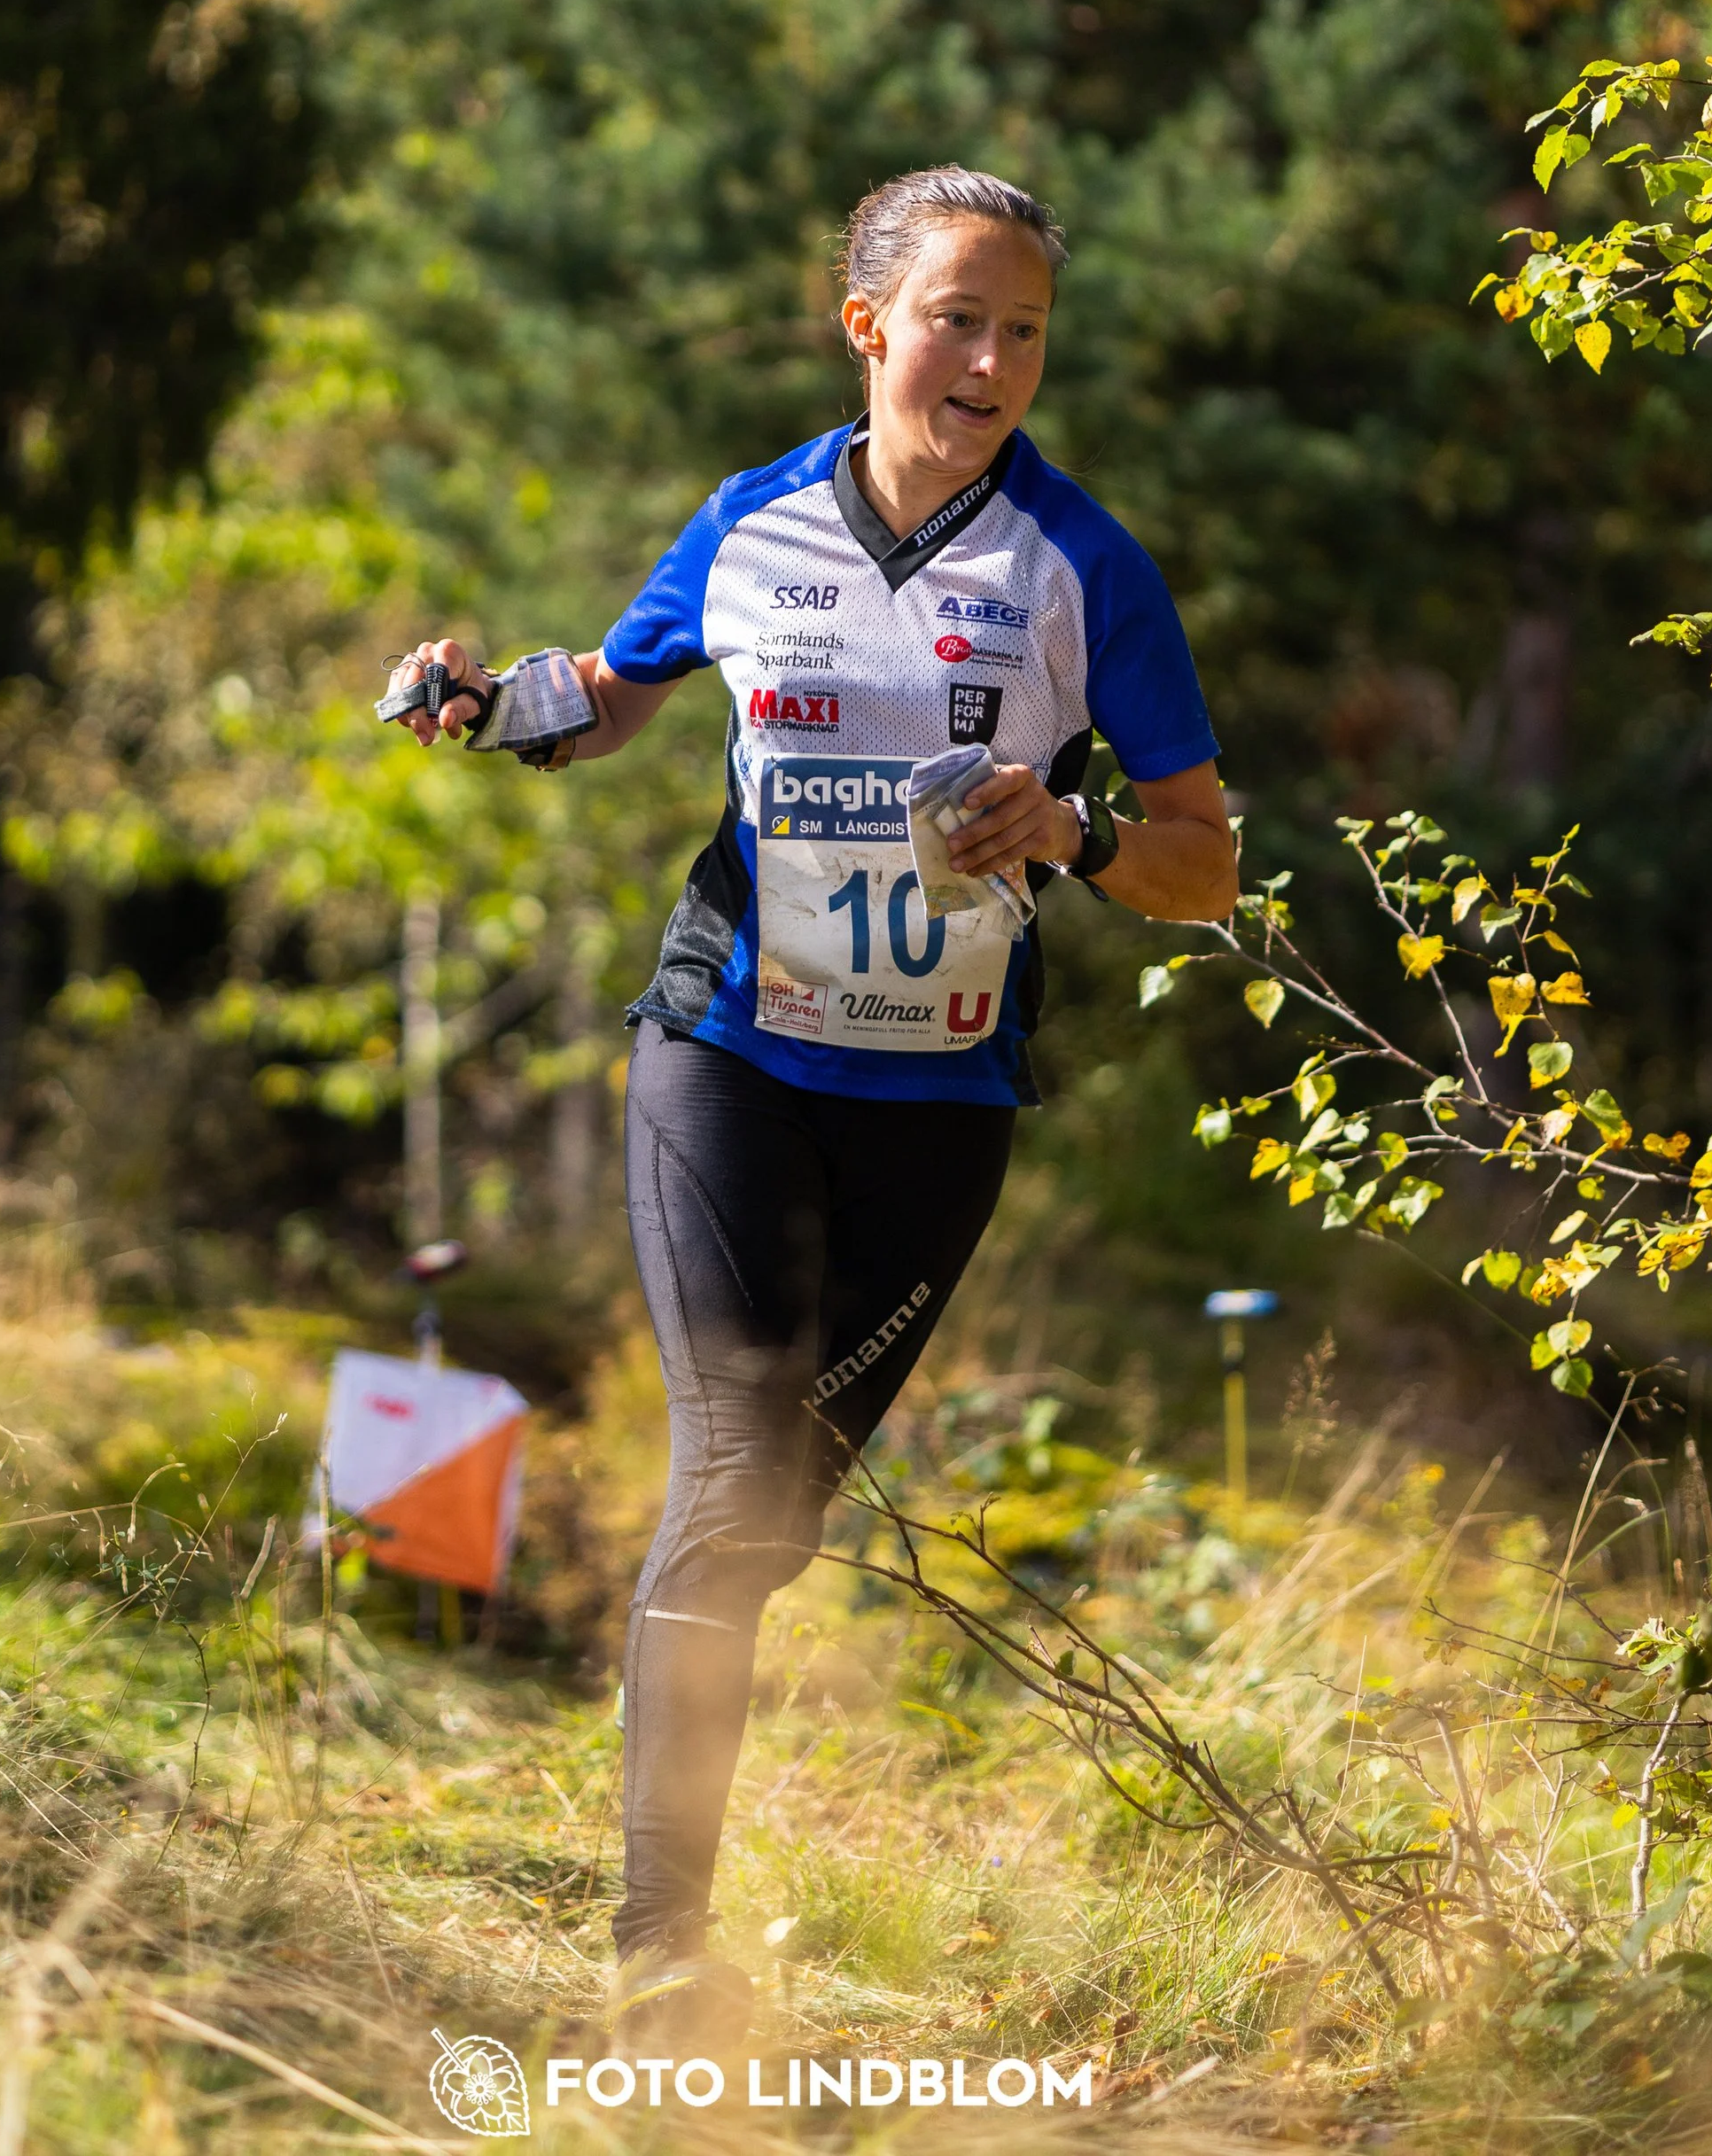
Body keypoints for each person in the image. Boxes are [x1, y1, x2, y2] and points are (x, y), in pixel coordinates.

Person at [385, 166, 1236, 2050]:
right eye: (955, 315)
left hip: (939, 1098)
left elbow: (1204, 862)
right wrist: (474, 697)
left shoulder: (1082, 568)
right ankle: (654, 1946)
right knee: (734, 1447)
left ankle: (673, 1915)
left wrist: (1076, 829)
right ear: (865, 323)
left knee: (772, 1519)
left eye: (1022, 327)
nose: (992, 357)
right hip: (726, 1046)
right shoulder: (752, 518)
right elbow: (603, 699)